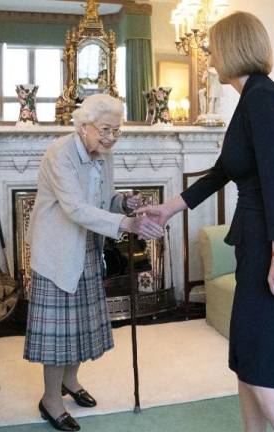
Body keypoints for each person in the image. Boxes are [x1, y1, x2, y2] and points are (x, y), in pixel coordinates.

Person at [136, 11, 274, 432]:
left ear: (234, 47)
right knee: (249, 361)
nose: (208, 53)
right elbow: (223, 171)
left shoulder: (263, 99)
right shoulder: (250, 98)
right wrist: (168, 208)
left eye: (213, 45)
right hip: (260, 240)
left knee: (267, 372)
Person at [24, 94, 163, 431]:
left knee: (80, 327)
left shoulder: (103, 155)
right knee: (59, 334)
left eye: (117, 131)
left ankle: (70, 382)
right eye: (105, 129)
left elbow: (100, 200)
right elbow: (74, 208)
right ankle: (50, 400)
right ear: (83, 125)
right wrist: (126, 224)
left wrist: (123, 203)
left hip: (86, 246)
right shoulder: (61, 154)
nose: (111, 137)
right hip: (57, 250)